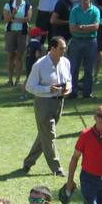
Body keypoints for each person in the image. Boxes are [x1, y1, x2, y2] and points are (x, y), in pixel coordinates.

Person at [23, 35, 72, 176]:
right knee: (50, 135)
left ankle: (28, 163)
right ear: (52, 48)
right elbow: (29, 86)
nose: (64, 51)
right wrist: (48, 89)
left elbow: (69, 80)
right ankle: (56, 167)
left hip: (59, 102)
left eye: (64, 48)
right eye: (61, 48)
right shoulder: (39, 65)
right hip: (43, 103)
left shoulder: (65, 62)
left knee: (44, 135)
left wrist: (68, 88)